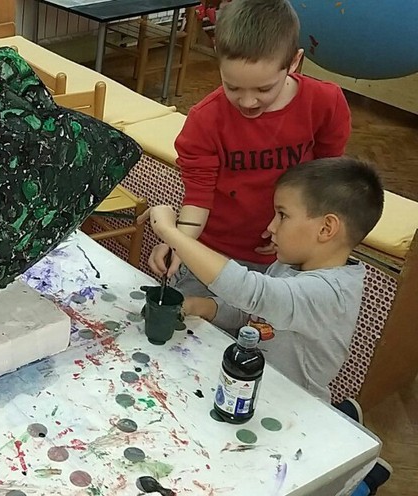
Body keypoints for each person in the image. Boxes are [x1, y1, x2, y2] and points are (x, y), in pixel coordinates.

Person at [141, 157, 391, 494]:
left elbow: (252, 291)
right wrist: (203, 307)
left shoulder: (328, 293)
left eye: (282, 215)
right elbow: (251, 315)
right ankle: (347, 421)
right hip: (257, 393)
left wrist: (172, 233)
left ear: (326, 229)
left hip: (295, 414)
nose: (271, 227)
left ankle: (361, 478)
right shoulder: (292, 265)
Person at [148, 0, 351, 330]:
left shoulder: (325, 104)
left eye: (264, 88)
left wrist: (292, 230)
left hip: (285, 263)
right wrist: (178, 244)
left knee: (258, 346)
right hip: (212, 256)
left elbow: (326, 182)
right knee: (189, 334)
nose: (248, 101)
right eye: (232, 86)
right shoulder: (206, 120)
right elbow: (198, 197)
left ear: (294, 62)